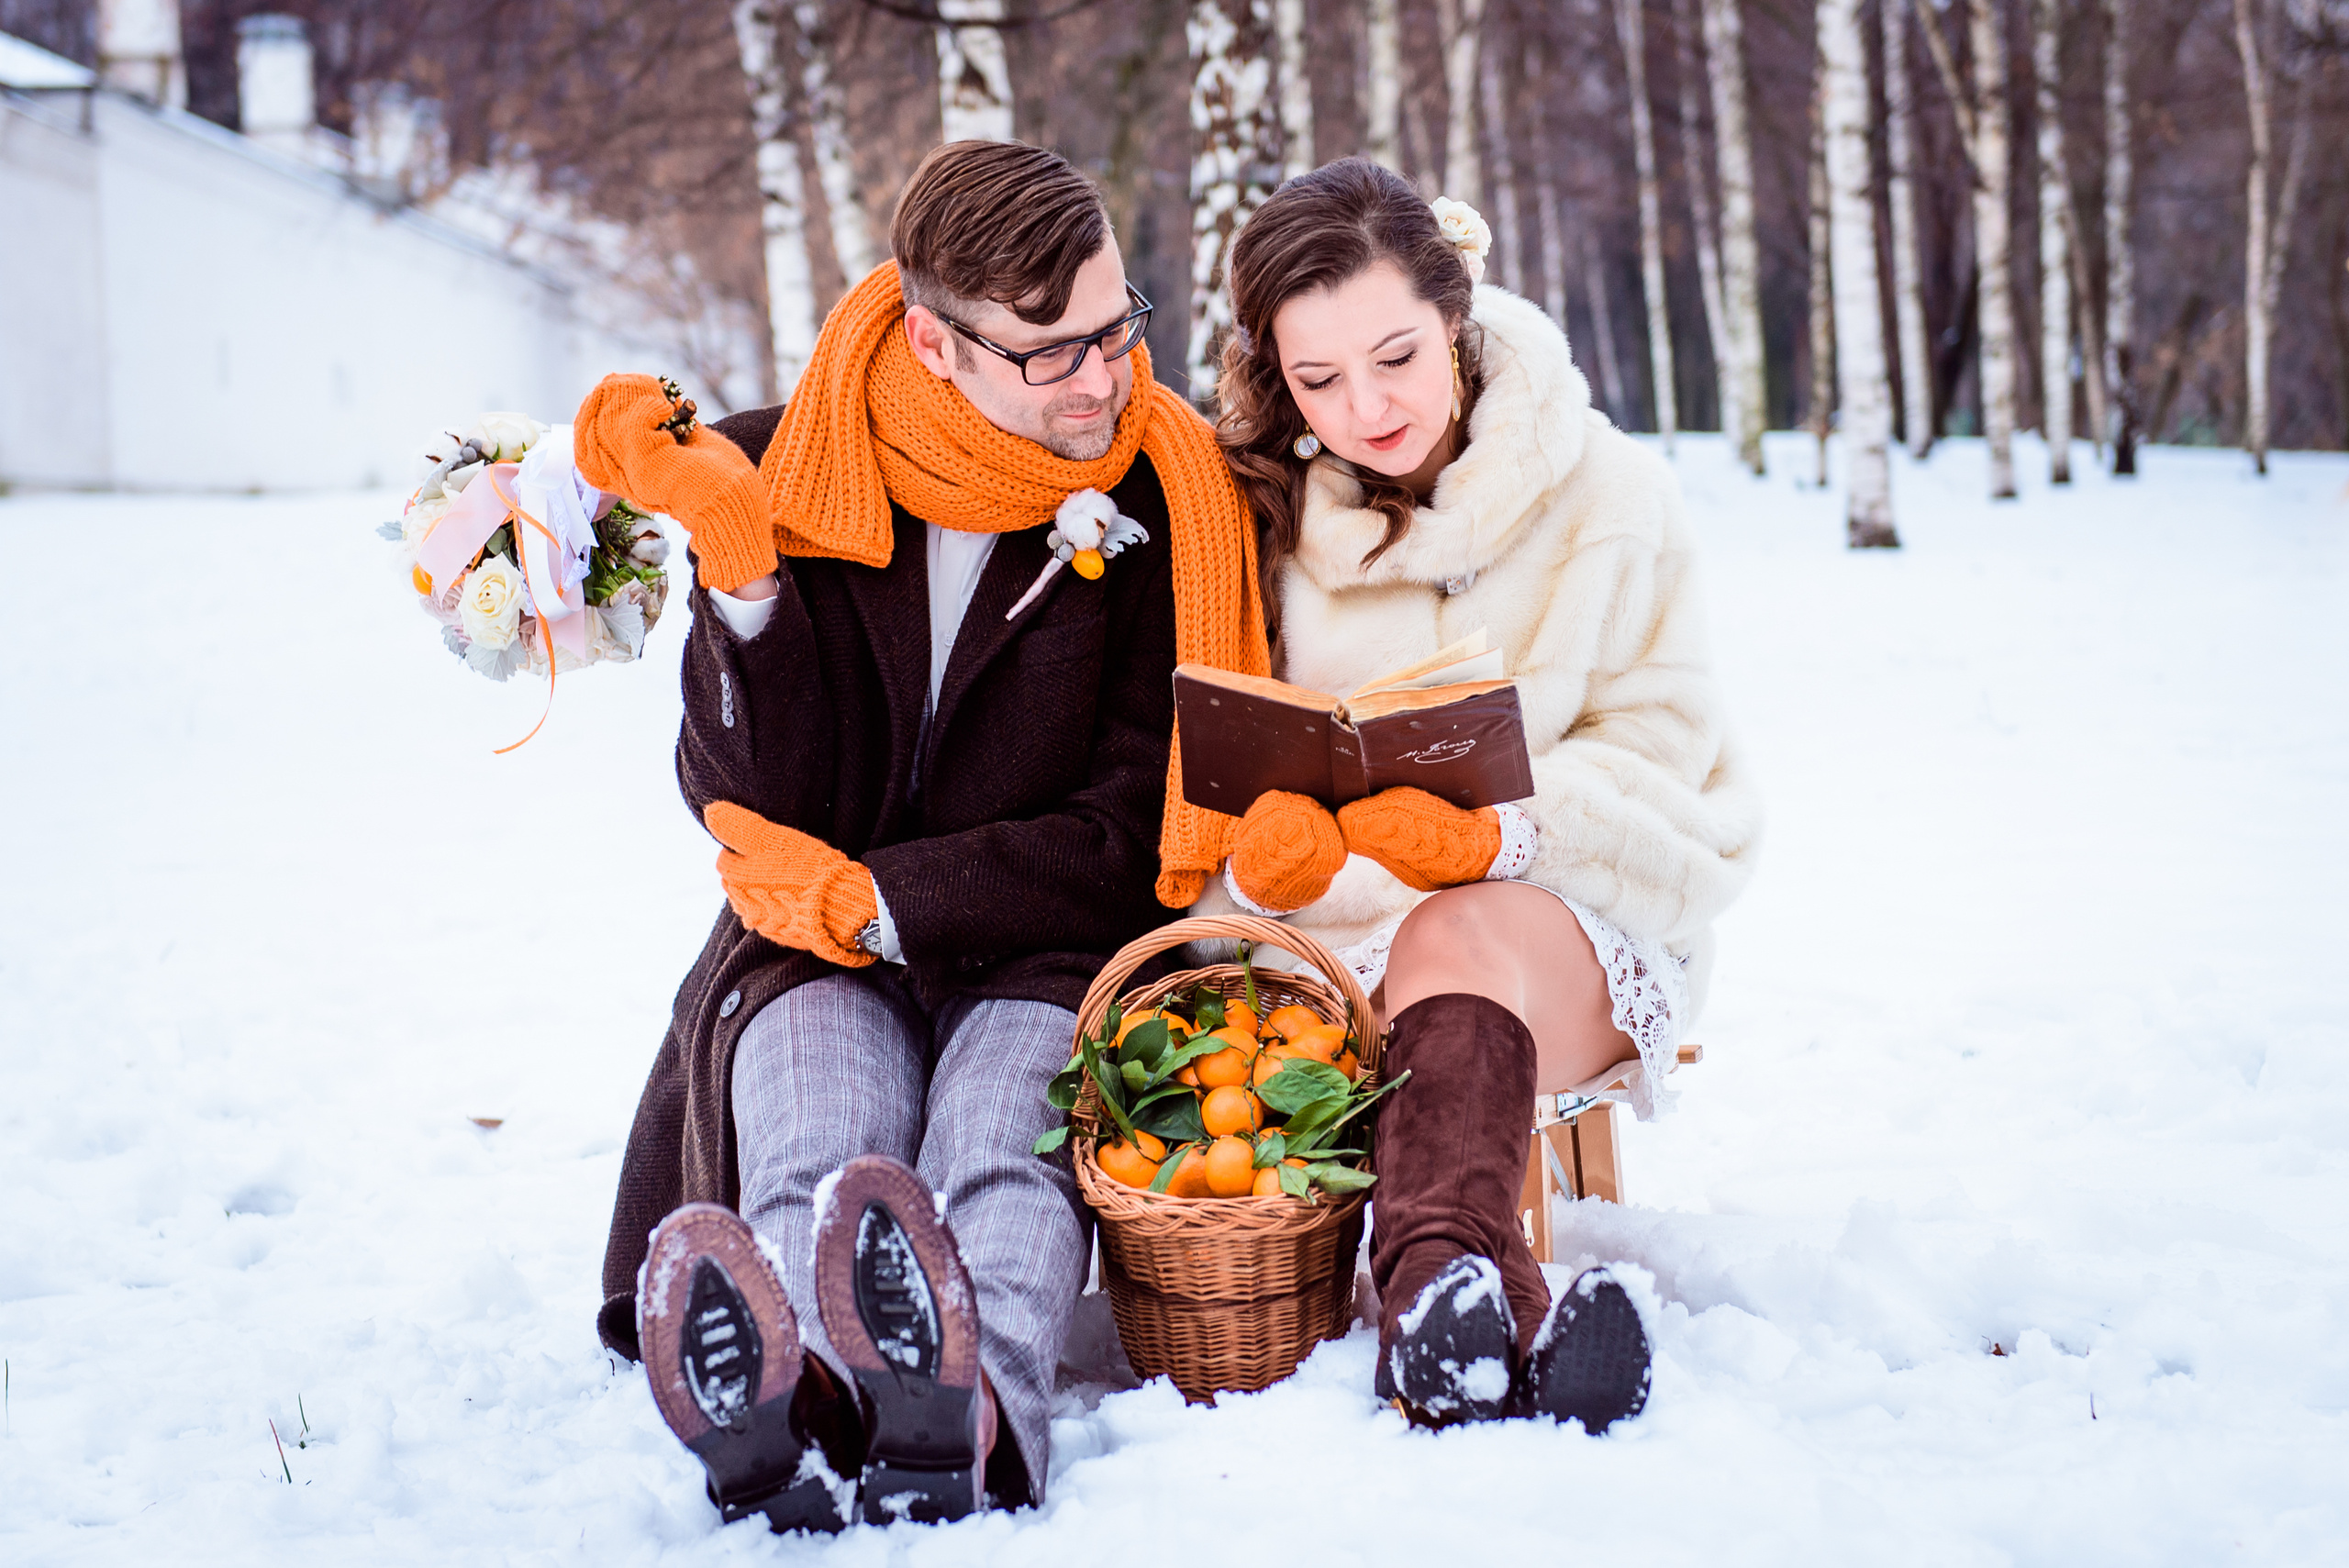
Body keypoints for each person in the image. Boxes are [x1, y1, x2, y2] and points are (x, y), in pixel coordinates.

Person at [571, 141, 1266, 1529]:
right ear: (931, 343)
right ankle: (798, 1399)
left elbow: (1131, 823)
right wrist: (746, 577)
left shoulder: (1155, 499)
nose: (1103, 378)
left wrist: (885, 898)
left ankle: (973, 1407)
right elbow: (743, 788)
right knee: (819, 1138)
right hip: (812, 942)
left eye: (1118, 326)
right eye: (1051, 351)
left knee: (1002, 1145)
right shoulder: (784, 463)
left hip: (1039, 941)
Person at [1195, 158, 1763, 1430]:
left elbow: (1676, 761)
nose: (1367, 406)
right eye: (1318, 379)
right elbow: (1223, 749)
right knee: (1366, 963)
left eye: (1395, 355)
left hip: (1556, 929)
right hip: (1331, 948)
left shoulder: (1612, 497)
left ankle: (1433, 1282)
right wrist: (1275, 835)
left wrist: (1503, 829)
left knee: (1454, 929)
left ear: (1453, 316)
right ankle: (1464, 1294)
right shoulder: (1268, 516)